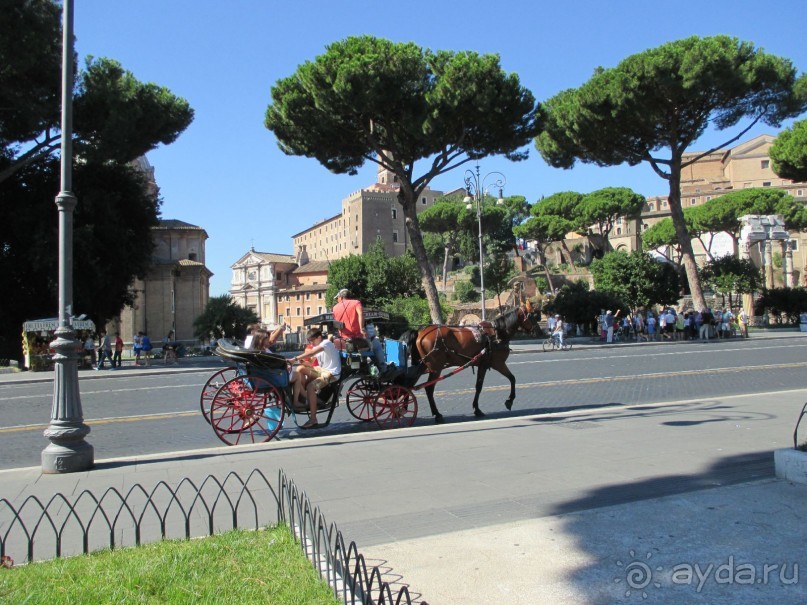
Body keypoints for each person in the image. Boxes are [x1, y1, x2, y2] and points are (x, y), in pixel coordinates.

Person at [290, 328, 342, 429]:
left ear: (319, 337)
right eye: (309, 341)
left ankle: (313, 419)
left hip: (331, 374)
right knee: (300, 369)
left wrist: (295, 359)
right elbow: (310, 361)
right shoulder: (318, 346)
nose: (311, 343)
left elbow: (311, 353)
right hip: (322, 370)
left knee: (310, 387)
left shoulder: (326, 343)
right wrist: (297, 363)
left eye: (312, 340)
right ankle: (303, 398)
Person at [333, 289, 386, 372]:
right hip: (357, 341)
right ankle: (383, 368)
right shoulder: (356, 303)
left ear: (341, 297)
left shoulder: (335, 308)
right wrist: (362, 329)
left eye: (337, 298)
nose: (337, 300)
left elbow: (337, 323)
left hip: (343, 342)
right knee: (376, 344)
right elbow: (360, 314)